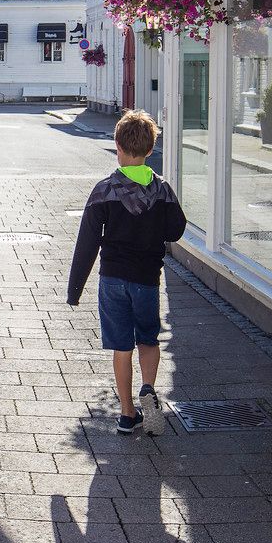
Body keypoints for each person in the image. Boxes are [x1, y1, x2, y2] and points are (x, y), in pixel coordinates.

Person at [67, 110, 187, 434]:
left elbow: (87, 242)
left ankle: (126, 413)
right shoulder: (162, 190)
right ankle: (148, 386)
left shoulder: (104, 191)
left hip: (112, 280)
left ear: (117, 146)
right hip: (147, 280)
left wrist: (75, 290)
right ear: (150, 149)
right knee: (147, 338)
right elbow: (176, 230)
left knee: (122, 346)